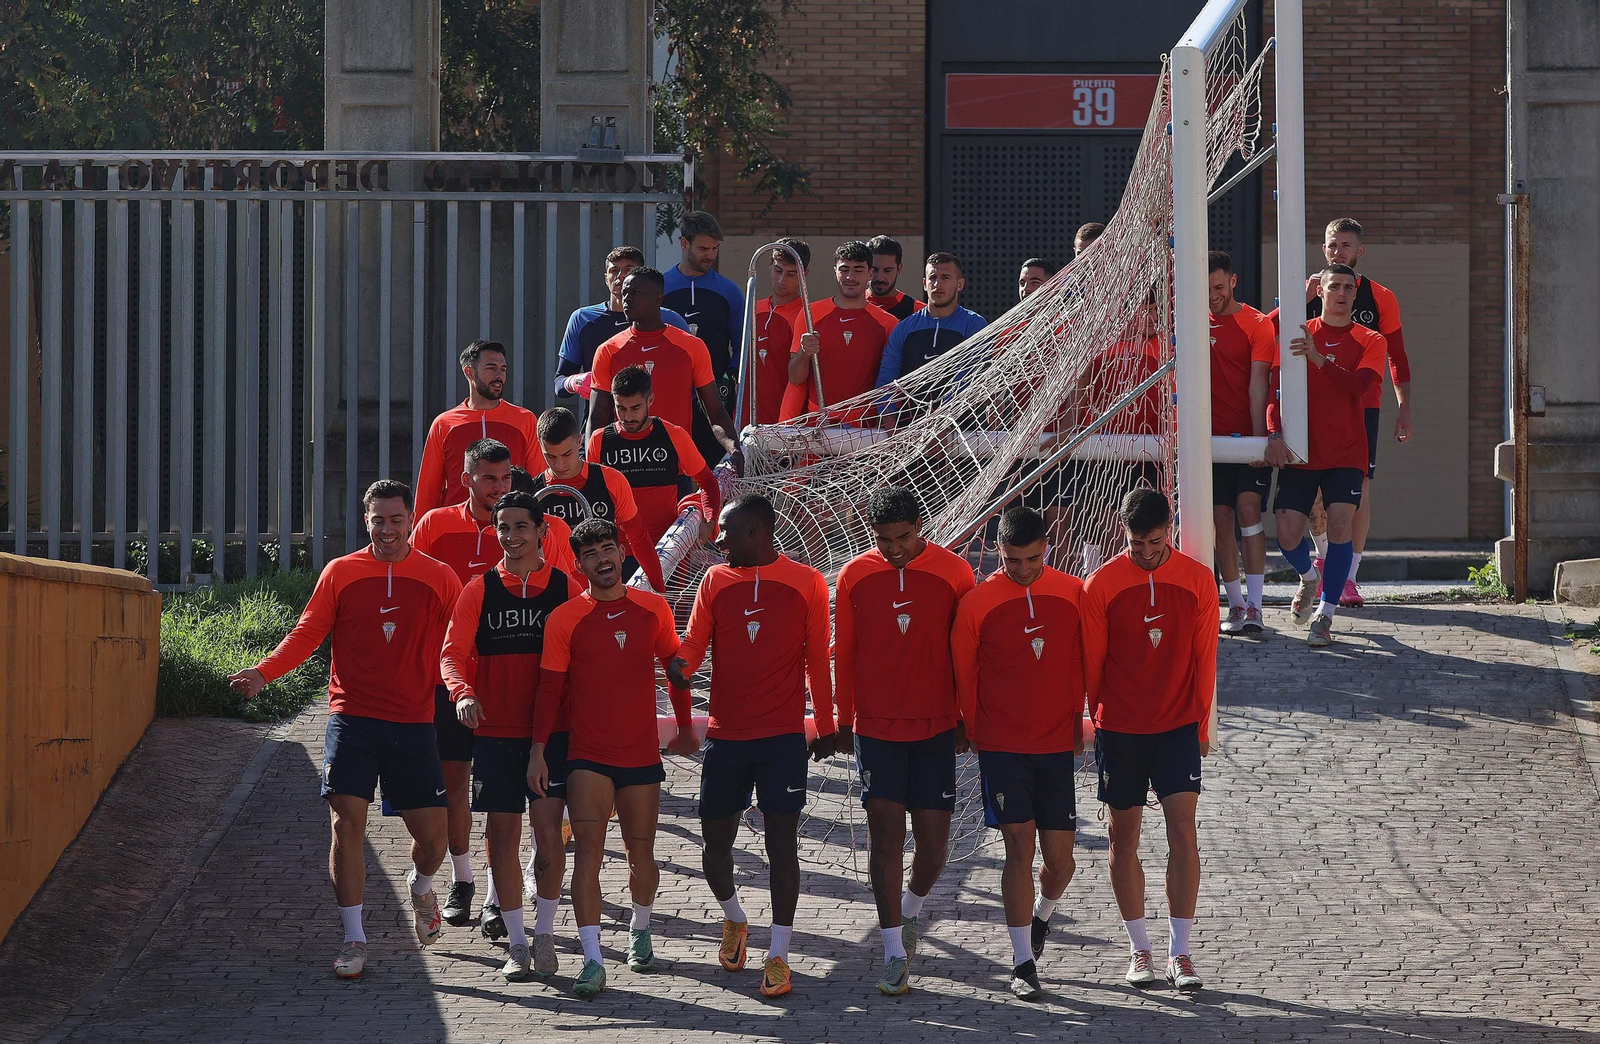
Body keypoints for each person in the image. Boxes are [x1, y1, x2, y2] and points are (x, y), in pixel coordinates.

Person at [227, 480, 461, 980]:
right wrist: (264, 673)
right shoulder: (341, 571)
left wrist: (470, 691)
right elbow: (308, 632)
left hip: (413, 722)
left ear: (411, 519)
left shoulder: (441, 577)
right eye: (378, 520)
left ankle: (421, 888)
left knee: (434, 841)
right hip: (351, 718)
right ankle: (354, 938)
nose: (387, 530)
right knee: (345, 824)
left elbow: (460, 644)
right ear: (366, 520)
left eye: (396, 520)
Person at [666, 494, 837, 998]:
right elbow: (694, 642)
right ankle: (735, 917)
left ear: (756, 532)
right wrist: (681, 664)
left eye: (725, 530)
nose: (717, 539)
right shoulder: (714, 580)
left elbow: (817, 659)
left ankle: (779, 954)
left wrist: (827, 724)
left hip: (782, 738)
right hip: (726, 737)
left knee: (781, 846)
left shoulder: (808, 582)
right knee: (713, 850)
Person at [530, 518, 697, 999]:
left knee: (641, 854)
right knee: (588, 854)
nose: (602, 559)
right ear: (579, 565)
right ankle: (592, 959)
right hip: (587, 757)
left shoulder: (653, 608)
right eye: (590, 554)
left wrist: (685, 727)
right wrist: (538, 751)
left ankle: (640, 929)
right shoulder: (565, 618)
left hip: (640, 755)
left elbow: (675, 670)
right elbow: (549, 690)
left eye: (608, 548)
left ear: (622, 552)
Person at [834, 487, 976, 996]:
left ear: (921, 527)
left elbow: (968, 653)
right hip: (876, 729)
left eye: (904, 537)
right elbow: (845, 652)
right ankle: (893, 950)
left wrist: (966, 716)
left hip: (936, 728)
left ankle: (911, 908)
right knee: (886, 837)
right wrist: (842, 718)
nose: (894, 548)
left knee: (935, 847)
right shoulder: (853, 575)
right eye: (884, 539)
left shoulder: (956, 574)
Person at [1081, 487, 1218, 993]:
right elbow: (1092, 664)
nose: (1145, 552)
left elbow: (1206, 656)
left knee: (1184, 833)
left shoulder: (1198, 580)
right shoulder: (1101, 584)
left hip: (1178, 725)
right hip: (1120, 729)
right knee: (1123, 839)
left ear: (1169, 532)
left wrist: (1202, 726)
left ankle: (1181, 953)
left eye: (1155, 542)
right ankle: (1139, 948)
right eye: (1136, 543)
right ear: (1124, 533)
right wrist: (1099, 724)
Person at [951, 505, 1086, 1002]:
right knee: (1018, 850)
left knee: (1062, 861)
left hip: (1056, 745)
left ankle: (1041, 919)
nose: (1023, 569)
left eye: (1032, 558)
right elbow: (964, 671)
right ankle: (1022, 962)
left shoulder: (1075, 592)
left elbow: (1084, 661)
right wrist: (973, 728)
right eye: (1013, 560)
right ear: (997, 551)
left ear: (1046, 548)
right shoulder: (976, 604)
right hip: (1002, 746)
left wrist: (1079, 716)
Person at [438, 490, 572, 981]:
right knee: (501, 838)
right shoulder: (478, 589)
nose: (512, 536)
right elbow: (451, 655)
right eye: (503, 527)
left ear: (542, 532)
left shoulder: (566, 588)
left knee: (549, 837)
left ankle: (545, 934)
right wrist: (462, 693)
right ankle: (516, 943)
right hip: (495, 733)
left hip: (552, 733)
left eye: (521, 526)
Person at [408, 438, 510, 927]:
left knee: (497, 792)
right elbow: (411, 590)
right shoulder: (434, 524)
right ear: (466, 479)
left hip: (502, 681)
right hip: (446, 680)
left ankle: (495, 894)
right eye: (488, 478)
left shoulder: (522, 527)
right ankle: (462, 879)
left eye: (506, 478)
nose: (498, 487)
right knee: (454, 784)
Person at [1266, 265, 1388, 646]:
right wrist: (1273, 433)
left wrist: (1319, 359)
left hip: (1347, 451)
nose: (1341, 294)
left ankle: (1325, 613)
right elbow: (1275, 389)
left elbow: (1359, 386)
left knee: (1339, 527)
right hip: (1301, 452)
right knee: (1286, 534)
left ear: (1355, 293)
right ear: (1319, 291)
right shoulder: (1297, 333)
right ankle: (1309, 576)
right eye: (1334, 286)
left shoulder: (1371, 339)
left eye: (1348, 288)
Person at [1305, 218, 1414, 606]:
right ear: (1323, 249)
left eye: (1346, 246)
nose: (1339, 252)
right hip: (1312, 404)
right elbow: (1276, 337)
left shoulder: (1380, 297)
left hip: (1361, 404)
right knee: (1313, 488)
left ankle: (1349, 576)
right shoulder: (1309, 290)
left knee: (1359, 489)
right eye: (1332, 245)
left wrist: (1404, 408)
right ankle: (1323, 557)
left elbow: (1397, 356)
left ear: (1360, 251)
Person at [588, 266, 739, 468]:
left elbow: (716, 412)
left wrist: (734, 449)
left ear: (658, 298)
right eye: (625, 292)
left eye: (636, 292)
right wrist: (592, 469)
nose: (627, 298)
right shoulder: (608, 350)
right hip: (625, 466)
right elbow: (597, 416)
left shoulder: (691, 347)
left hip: (677, 467)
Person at [1207, 251, 1278, 635]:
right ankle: (1235, 605)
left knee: (1249, 509)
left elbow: (1258, 385)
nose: (1212, 296)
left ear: (1233, 281)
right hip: (1207, 442)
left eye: (1218, 287)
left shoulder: (1257, 324)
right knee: (1220, 518)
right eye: (1206, 289)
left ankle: (1255, 606)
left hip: (1246, 439)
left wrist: (1256, 442)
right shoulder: (1188, 320)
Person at [528, 407, 666, 591]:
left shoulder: (610, 480)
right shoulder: (533, 493)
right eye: (550, 456)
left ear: (579, 441)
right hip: (555, 594)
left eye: (567, 454)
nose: (559, 464)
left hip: (604, 591)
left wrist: (660, 591)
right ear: (540, 446)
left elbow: (639, 539)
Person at [587, 364, 722, 546]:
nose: (628, 417)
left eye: (635, 408)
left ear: (650, 400)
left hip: (667, 548)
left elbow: (707, 481)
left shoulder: (673, 435)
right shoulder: (599, 440)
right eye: (621, 408)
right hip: (619, 550)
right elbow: (591, 496)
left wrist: (710, 522)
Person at [553, 246, 691, 423]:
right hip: (602, 428)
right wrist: (575, 381)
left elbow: (694, 383)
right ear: (606, 278)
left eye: (628, 270)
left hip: (658, 429)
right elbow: (560, 384)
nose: (621, 277)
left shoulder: (671, 320)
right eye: (614, 270)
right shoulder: (582, 319)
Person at [415, 341, 543, 517]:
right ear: (469, 372)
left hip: (511, 526)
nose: (499, 375)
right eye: (491, 368)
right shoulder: (444, 424)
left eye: (503, 369)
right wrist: (419, 531)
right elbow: (428, 489)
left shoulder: (525, 420)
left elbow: (538, 482)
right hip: (456, 526)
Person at [781, 241, 898, 421]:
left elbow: (891, 384)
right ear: (835, 271)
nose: (850, 277)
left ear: (870, 274)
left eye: (858, 270)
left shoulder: (888, 323)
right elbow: (795, 379)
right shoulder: (811, 314)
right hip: (818, 424)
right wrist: (804, 353)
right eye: (844, 269)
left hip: (865, 427)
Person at [663, 211, 746, 462]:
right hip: (669, 396)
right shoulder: (660, 287)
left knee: (714, 469)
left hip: (714, 398)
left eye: (715, 248)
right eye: (703, 248)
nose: (710, 255)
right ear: (684, 243)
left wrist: (729, 378)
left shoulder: (729, 291)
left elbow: (743, 345)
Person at [875, 251, 987, 388]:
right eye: (932, 277)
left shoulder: (975, 325)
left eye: (945, 277)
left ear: (960, 284)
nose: (937, 284)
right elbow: (886, 383)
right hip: (909, 402)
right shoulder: (904, 328)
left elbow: (975, 379)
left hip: (959, 402)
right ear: (924, 283)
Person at [748, 238, 812, 426]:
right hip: (748, 418)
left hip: (787, 424)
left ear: (804, 274)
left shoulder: (807, 315)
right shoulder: (753, 308)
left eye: (791, 274)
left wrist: (787, 424)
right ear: (770, 265)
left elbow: (799, 378)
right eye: (778, 270)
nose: (782, 280)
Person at [865, 234, 926, 321]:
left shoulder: (919, 313)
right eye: (874, 270)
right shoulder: (850, 306)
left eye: (887, 270)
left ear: (899, 269)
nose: (880, 278)